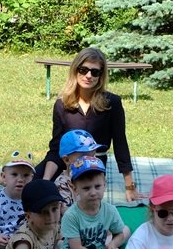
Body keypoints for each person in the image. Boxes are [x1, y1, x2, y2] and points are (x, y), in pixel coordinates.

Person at [40, 47, 141, 203]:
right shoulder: (61, 104)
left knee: (81, 197)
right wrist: (46, 180)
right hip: (65, 161)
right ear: (75, 70)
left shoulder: (112, 103)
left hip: (93, 163)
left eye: (95, 72)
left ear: (101, 76)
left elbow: (120, 143)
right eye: (83, 70)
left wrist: (129, 186)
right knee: (33, 185)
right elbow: (56, 147)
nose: (88, 76)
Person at [55, 156, 130, 249]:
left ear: (104, 185)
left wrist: (112, 245)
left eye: (97, 186)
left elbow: (120, 234)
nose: (93, 192)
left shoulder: (110, 210)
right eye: (86, 188)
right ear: (74, 188)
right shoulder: (71, 215)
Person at [51, 129, 102, 208]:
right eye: (84, 157)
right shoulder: (62, 184)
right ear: (67, 160)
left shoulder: (94, 175)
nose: (90, 160)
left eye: (93, 156)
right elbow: (66, 212)